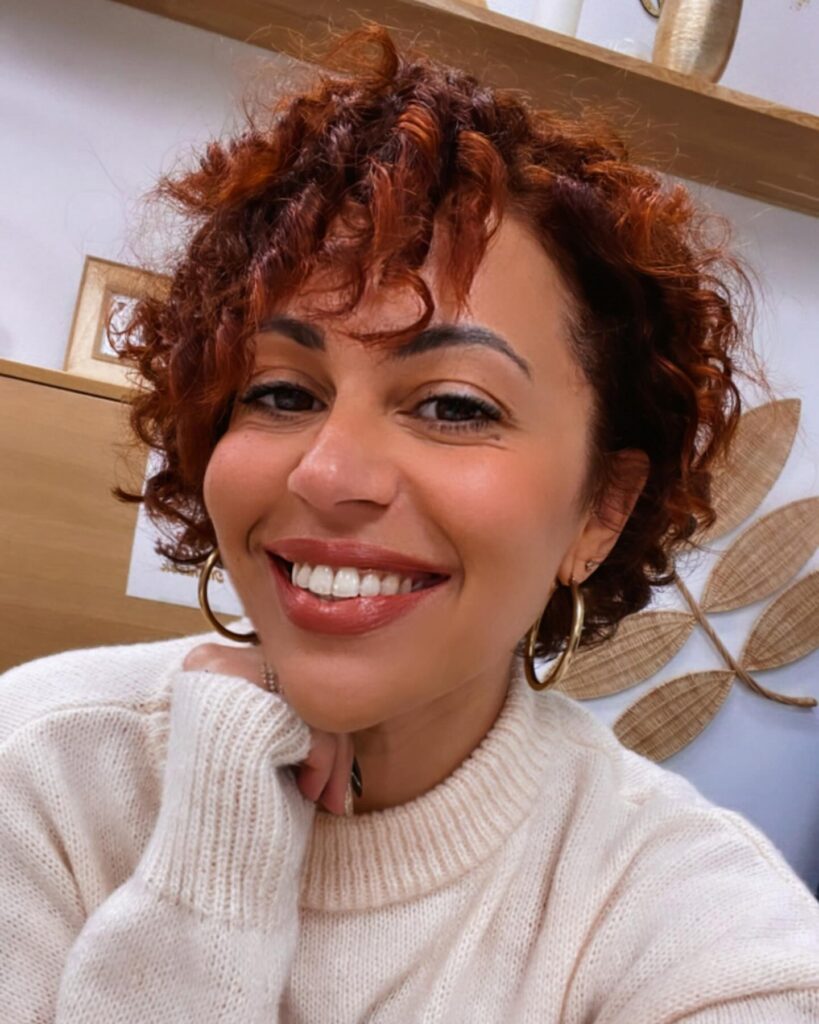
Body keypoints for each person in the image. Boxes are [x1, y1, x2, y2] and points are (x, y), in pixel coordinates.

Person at [1, 21, 817, 1023]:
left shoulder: (693, 924)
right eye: (281, 393)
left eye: (455, 407)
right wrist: (208, 873)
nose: (330, 471)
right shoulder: (43, 769)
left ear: (601, 510)